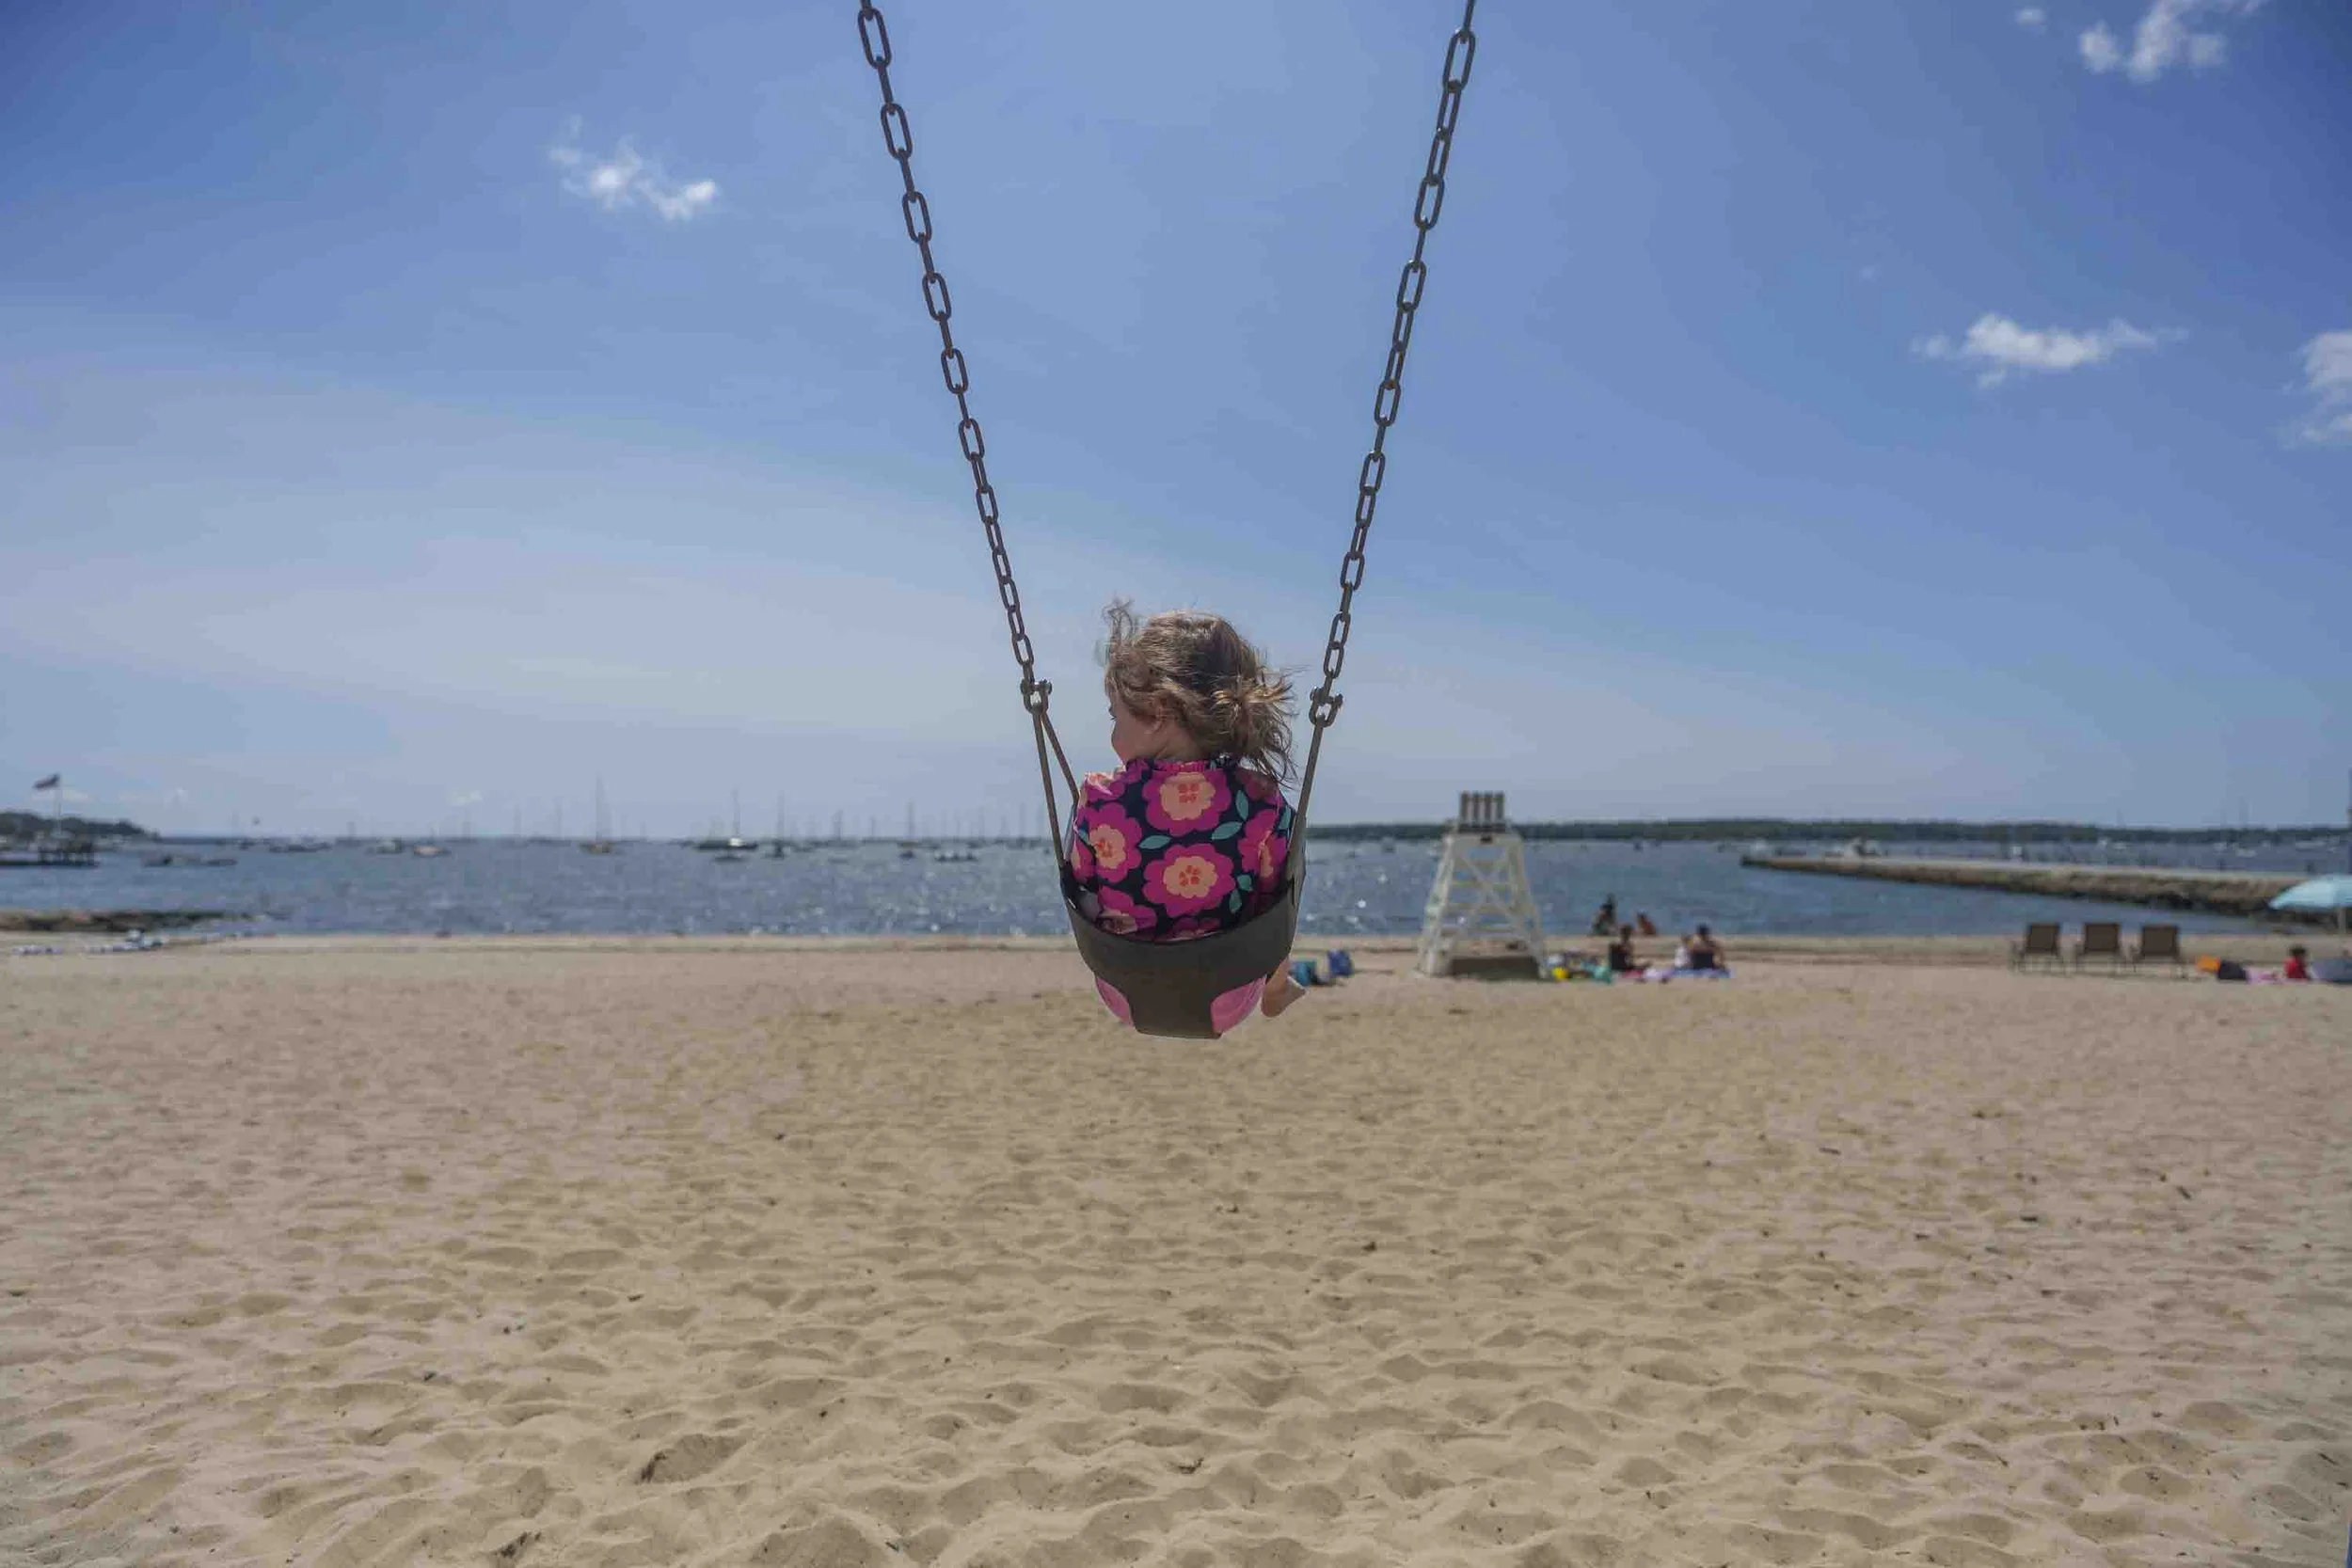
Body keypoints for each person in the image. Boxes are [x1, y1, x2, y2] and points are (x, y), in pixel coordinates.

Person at [1069, 603, 1304, 1023]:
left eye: (1114, 716)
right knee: (1280, 901)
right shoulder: (1263, 800)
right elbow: (1275, 905)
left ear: (1157, 712)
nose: (1111, 733)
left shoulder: (1099, 799)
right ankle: (1278, 988)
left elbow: (1080, 885)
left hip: (1126, 987)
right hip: (1230, 993)